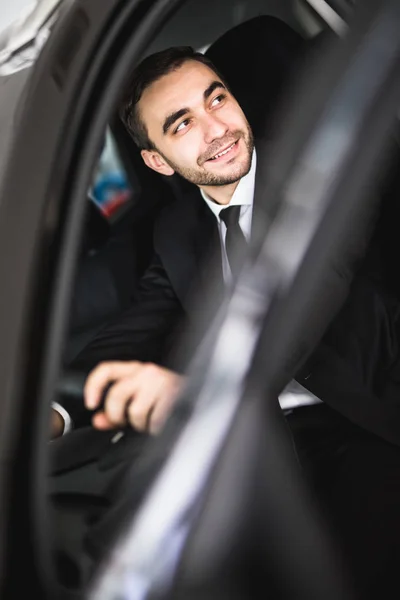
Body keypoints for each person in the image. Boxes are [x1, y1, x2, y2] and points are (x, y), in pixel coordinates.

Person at [51, 46, 400, 598]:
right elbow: (134, 333)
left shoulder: (320, 168)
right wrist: (52, 412)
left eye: (217, 99)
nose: (218, 128)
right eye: (183, 123)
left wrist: (203, 394)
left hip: (367, 424)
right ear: (159, 161)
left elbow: (310, 292)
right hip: (266, 452)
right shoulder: (177, 231)